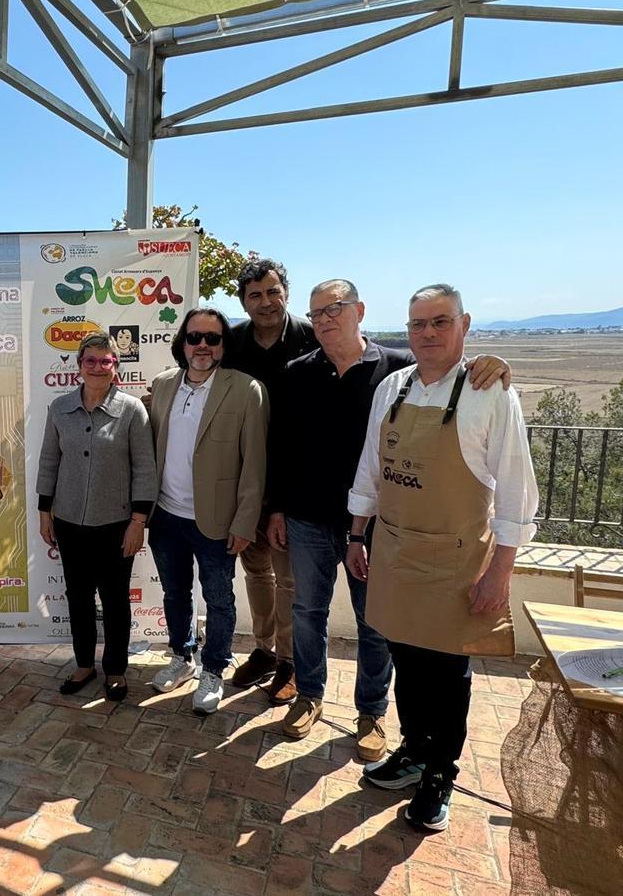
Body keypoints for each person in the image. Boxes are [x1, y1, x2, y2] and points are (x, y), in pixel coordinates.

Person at [266, 281, 510, 760]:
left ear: (359, 310)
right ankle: (309, 695)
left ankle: (371, 712)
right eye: (315, 314)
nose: (324, 320)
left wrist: (495, 365)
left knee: (375, 622)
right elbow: (281, 447)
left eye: (334, 309)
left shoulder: (395, 369)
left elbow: (448, 370)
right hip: (308, 520)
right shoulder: (296, 373)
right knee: (306, 612)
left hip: (378, 528)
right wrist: (276, 507)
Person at [346, 284, 537, 833]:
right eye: (417, 324)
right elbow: (371, 467)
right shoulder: (392, 389)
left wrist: (500, 570)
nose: (427, 333)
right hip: (398, 549)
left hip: (458, 559)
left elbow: (517, 491)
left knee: (448, 669)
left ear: (464, 323)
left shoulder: (490, 393)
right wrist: (358, 533)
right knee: (406, 656)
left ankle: (440, 776)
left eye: (440, 322)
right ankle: (413, 751)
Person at [147, 308, 268, 715]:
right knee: (174, 592)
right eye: (195, 337)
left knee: (219, 599)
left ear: (223, 345)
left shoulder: (246, 389)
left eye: (212, 338)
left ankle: (214, 669)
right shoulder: (163, 385)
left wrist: (245, 521)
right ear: (183, 342)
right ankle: (182, 657)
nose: (203, 345)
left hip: (217, 520)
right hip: (165, 516)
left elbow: (254, 463)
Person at [37, 332, 156, 702]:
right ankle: (84, 664)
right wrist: (45, 512)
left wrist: (138, 521)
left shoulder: (132, 410)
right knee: (78, 597)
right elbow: (48, 462)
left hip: (117, 526)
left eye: (106, 361)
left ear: (115, 367)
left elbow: (145, 469)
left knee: (117, 599)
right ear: (79, 366)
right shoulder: (59, 409)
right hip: (70, 522)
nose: (98, 367)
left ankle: (116, 669)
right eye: (91, 361)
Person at [225, 258, 313, 705]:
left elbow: (377, 360)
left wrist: (469, 367)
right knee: (256, 571)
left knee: (290, 580)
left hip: (294, 483)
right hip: (245, 484)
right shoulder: (233, 343)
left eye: (273, 292)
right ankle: (263, 651)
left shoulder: (312, 338)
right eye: (255, 295)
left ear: (286, 294)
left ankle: (290, 661)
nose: (265, 302)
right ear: (243, 301)